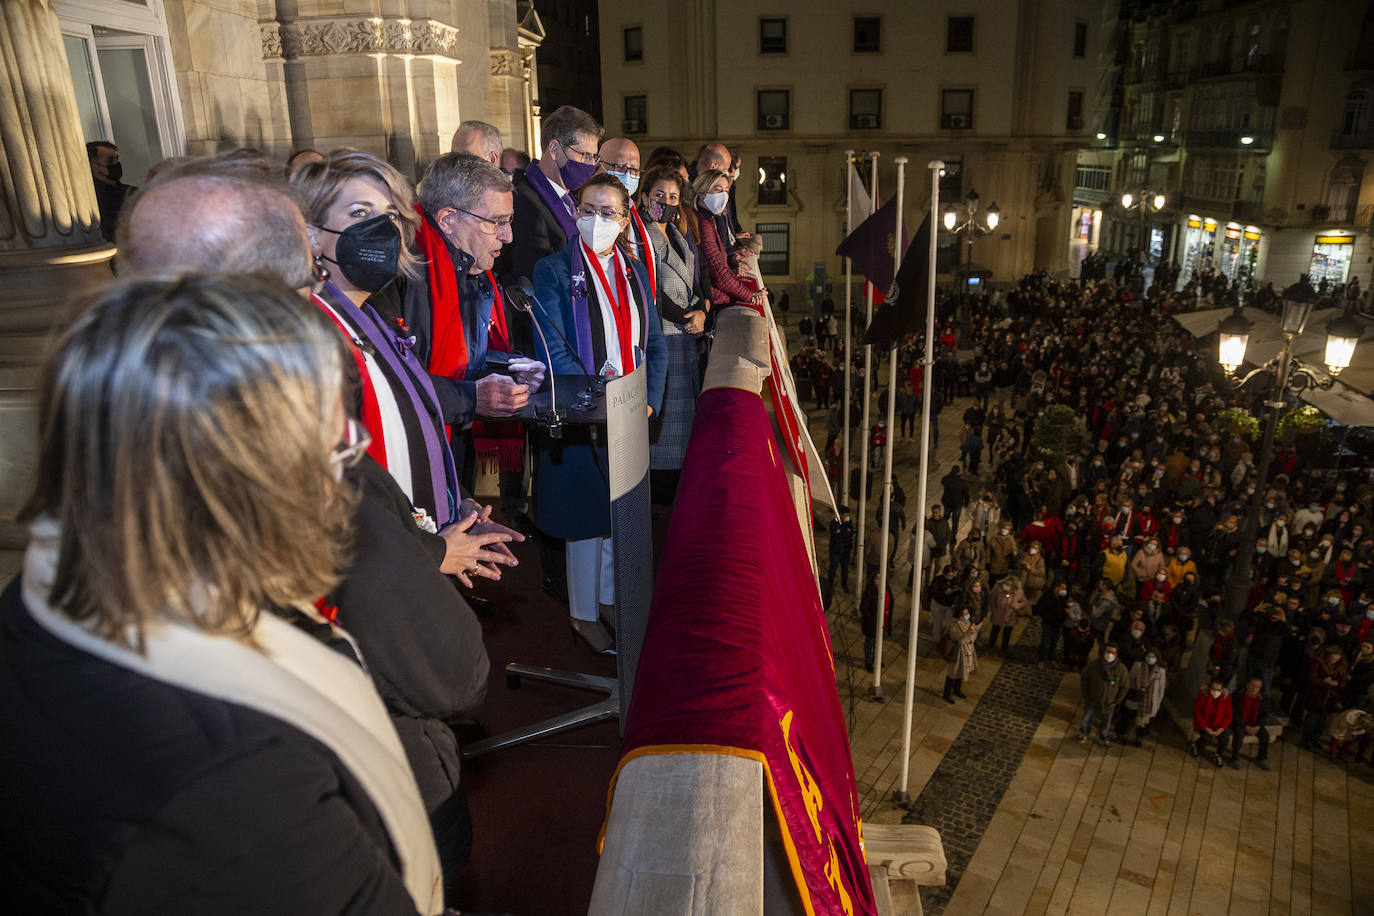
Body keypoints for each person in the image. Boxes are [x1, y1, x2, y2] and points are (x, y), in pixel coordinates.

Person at [1, 273, 444, 914]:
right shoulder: (241, 788)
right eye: (336, 453)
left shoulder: (50, 590)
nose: (343, 489)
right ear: (235, 487)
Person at [531, 172, 667, 652]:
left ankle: (610, 601)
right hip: (584, 414)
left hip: (629, 410)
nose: (596, 220)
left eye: (608, 212)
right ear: (575, 212)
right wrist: (595, 400)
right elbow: (554, 345)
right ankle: (582, 614)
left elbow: (652, 341)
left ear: (625, 217)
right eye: (587, 210)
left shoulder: (633, 270)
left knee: (617, 514)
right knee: (584, 522)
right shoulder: (552, 270)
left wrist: (650, 396)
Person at [410, 152, 547, 493]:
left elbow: (462, 356)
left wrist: (506, 366)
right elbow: (398, 384)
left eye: (509, 220)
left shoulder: (468, 269)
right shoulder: (410, 276)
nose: (508, 236)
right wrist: (472, 398)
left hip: (451, 438)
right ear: (447, 219)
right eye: (496, 221)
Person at [637, 165, 708, 499]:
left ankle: (675, 490)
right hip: (665, 334)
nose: (666, 202)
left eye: (673, 197)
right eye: (659, 195)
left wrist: (702, 310)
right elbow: (649, 290)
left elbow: (694, 281)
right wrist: (686, 316)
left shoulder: (677, 235)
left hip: (685, 336)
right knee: (665, 424)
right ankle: (659, 494)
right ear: (645, 197)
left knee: (683, 420)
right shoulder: (641, 237)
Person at [506, 104, 604, 283]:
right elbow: (537, 276)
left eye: (594, 157)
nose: (591, 165)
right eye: (585, 155)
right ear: (554, 149)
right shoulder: (525, 202)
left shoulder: (571, 198)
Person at [693, 169, 767, 311]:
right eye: (717, 190)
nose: (723, 195)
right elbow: (717, 270)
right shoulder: (702, 223)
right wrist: (749, 295)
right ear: (702, 193)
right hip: (708, 299)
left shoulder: (710, 218)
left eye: (726, 190)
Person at [1079, 642, 1129, 745]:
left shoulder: (1121, 669)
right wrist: (1086, 694)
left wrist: (1116, 701)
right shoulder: (1094, 664)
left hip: (1109, 702)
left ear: (1116, 655)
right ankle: (1084, 733)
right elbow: (1085, 679)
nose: (1110, 654)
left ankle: (1104, 736)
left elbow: (1125, 686)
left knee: (1107, 722)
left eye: (1112, 653)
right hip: (1092, 699)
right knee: (1086, 718)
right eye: (1108, 652)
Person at [87, 139, 134, 242]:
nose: (116, 163)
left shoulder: (132, 192)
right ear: (93, 166)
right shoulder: (91, 197)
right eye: (110, 160)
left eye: (117, 159)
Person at [1124, 647, 1167, 746]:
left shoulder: (1160, 671)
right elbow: (1131, 680)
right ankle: (1127, 735)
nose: (1151, 658)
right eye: (1149, 656)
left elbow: (1161, 689)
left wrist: (1158, 702)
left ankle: (1139, 738)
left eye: (1153, 657)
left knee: (1144, 723)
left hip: (1149, 701)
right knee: (1131, 719)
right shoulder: (1138, 666)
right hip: (1137, 698)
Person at [1229, 677, 1272, 769]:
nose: (1255, 689)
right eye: (1253, 686)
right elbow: (1233, 713)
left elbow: (1265, 714)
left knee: (1265, 736)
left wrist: (1257, 727)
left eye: (1258, 687)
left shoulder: (1263, 697)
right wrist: (1245, 726)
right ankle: (1235, 758)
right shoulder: (1237, 695)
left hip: (1255, 724)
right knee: (1238, 733)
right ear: (1247, 685)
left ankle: (1261, 758)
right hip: (1240, 722)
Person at [1190, 677, 1234, 767]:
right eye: (1214, 689)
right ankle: (1196, 746)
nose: (1216, 692)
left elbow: (1228, 715)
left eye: (1218, 689)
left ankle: (1219, 755)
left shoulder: (1226, 698)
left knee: (1225, 739)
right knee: (1207, 739)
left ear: (1222, 690)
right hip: (1205, 724)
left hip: (1219, 725)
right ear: (1209, 688)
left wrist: (1221, 728)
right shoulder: (1203, 696)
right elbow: (1197, 714)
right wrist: (1206, 728)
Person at [942, 604, 979, 703]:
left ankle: (957, 690)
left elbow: (974, 635)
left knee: (961, 671)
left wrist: (971, 635)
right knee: (953, 673)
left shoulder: (968, 623)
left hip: (967, 650)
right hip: (957, 652)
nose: (967, 616)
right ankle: (947, 693)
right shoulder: (954, 625)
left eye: (968, 614)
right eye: (964, 614)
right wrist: (969, 634)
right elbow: (960, 640)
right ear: (959, 615)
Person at [987, 576, 1027, 655]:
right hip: (998, 614)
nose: (1006, 586)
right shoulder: (998, 590)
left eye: (1009, 584)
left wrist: (1017, 605)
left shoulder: (1019, 592)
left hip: (1010, 617)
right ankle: (990, 647)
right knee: (995, 631)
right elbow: (992, 599)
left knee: (1007, 633)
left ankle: (1004, 649)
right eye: (1006, 584)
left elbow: (1024, 602)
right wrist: (993, 609)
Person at [828, 507, 855, 590]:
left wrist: (842, 531)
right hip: (835, 551)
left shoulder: (849, 522)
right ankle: (830, 586)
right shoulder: (834, 523)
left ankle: (844, 585)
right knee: (833, 569)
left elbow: (851, 533)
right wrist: (845, 531)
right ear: (841, 515)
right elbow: (836, 536)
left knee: (845, 570)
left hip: (845, 551)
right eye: (846, 515)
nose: (848, 517)